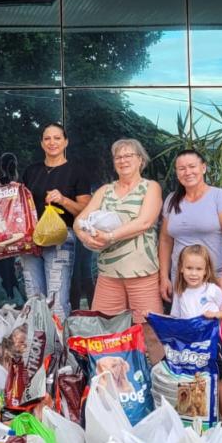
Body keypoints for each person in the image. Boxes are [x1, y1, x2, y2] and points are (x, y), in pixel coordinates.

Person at [74, 138, 164, 362]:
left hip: (141, 273)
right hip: (109, 274)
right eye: (118, 157)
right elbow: (79, 220)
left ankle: (159, 382)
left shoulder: (150, 187)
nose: (123, 160)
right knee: (105, 331)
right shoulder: (105, 190)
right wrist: (84, 235)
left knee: (151, 332)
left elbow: (144, 222)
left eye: (128, 156)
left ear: (140, 160)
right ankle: (112, 385)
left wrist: (110, 236)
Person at [19, 122, 93, 322]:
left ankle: (59, 350)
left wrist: (63, 200)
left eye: (57, 138)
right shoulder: (31, 171)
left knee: (57, 300)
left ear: (66, 142)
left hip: (61, 238)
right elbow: (21, 206)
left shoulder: (77, 171)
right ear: (42, 143)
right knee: (34, 299)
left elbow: (86, 211)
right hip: (31, 240)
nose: (52, 142)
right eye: (47, 138)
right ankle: (40, 347)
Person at [172, 244, 222, 428]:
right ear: (181, 268)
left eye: (198, 269)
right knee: (192, 381)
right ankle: (193, 418)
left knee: (218, 381)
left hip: (212, 344)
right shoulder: (180, 293)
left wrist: (216, 315)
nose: (193, 273)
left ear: (206, 271)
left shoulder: (212, 290)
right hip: (190, 347)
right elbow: (175, 318)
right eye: (189, 268)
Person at [157, 148, 222, 305]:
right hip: (181, 280)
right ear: (177, 173)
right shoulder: (171, 200)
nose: (187, 172)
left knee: (217, 328)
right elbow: (165, 240)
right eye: (181, 168)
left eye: (192, 166)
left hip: (214, 279)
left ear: (203, 168)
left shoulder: (219, 196)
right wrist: (164, 277)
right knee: (186, 328)